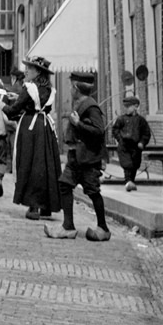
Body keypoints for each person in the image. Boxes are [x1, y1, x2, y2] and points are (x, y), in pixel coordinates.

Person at [46, 71, 112, 242]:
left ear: (76, 87)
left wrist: (78, 124)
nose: (70, 89)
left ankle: (103, 228)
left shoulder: (90, 107)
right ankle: (68, 227)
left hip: (88, 158)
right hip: (77, 156)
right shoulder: (81, 103)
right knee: (65, 185)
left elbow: (99, 131)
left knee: (93, 191)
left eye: (71, 86)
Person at [3, 55, 61, 220]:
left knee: (30, 162)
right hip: (45, 127)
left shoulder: (29, 87)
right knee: (46, 164)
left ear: (38, 72)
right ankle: (47, 206)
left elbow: (14, 110)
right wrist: (20, 99)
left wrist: (1, 104)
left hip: (30, 128)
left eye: (29, 68)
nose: (26, 71)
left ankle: (33, 206)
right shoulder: (49, 88)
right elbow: (39, 104)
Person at [112, 95, 152, 192]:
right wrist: (119, 139)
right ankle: (128, 181)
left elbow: (146, 133)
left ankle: (131, 181)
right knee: (127, 163)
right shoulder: (121, 119)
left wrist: (142, 142)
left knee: (134, 164)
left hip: (136, 146)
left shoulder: (141, 120)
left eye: (128, 107)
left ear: (135, 106)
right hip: (124, 145)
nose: (126, 109)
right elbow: (115, 130)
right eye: (125, 107)